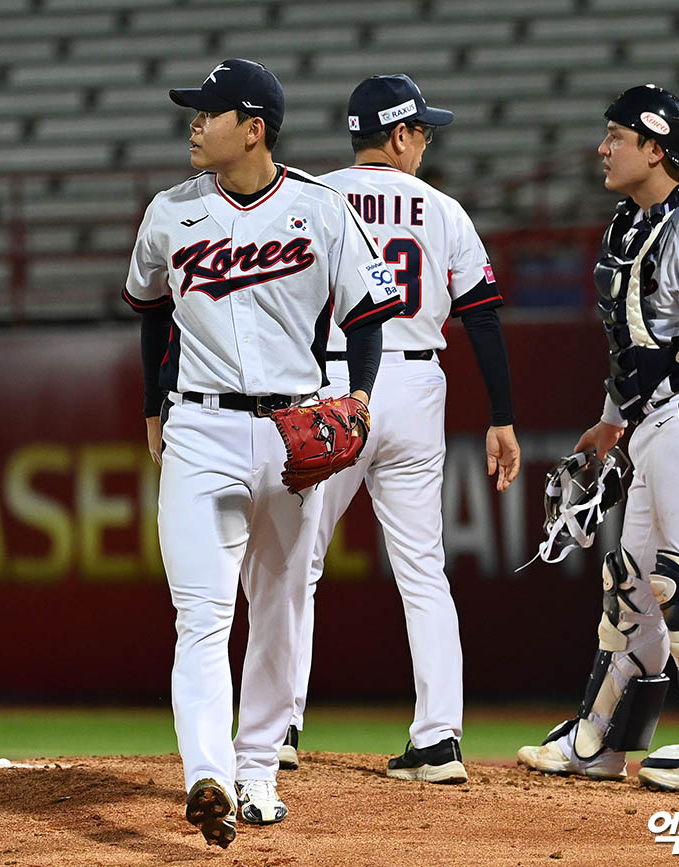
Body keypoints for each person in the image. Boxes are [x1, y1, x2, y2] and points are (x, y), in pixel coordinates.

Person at [124, 58, 402, 847]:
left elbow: (370, 312)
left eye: (206, 113)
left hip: (293, 431)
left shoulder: (321, 209)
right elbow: (149, 311)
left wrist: (362, 398)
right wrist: (153, 404)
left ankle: (258, 769)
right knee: (202, 614)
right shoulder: (170, 212)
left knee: (282, 605)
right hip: (201, 430)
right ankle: (206, 774)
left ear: (252, 128)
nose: (192, 124)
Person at [516, 84, 679, 795]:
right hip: (650, 419)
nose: (604, 148)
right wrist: (610, 422)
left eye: (618, 135)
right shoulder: (628, 222)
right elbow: (636, 340)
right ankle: (599, 740)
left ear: (657, 148)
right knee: (632, 582)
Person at [276, 74, 521, 783]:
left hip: (329, 383)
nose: (425, 144)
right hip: (417, 383)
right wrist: (501, 415)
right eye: (423, 132)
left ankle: (278, 727)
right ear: (402, 135)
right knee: (423, 570)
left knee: (298, 561)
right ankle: (439, 738)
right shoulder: (442, 208)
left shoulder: (310, 197)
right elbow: (481, 316)